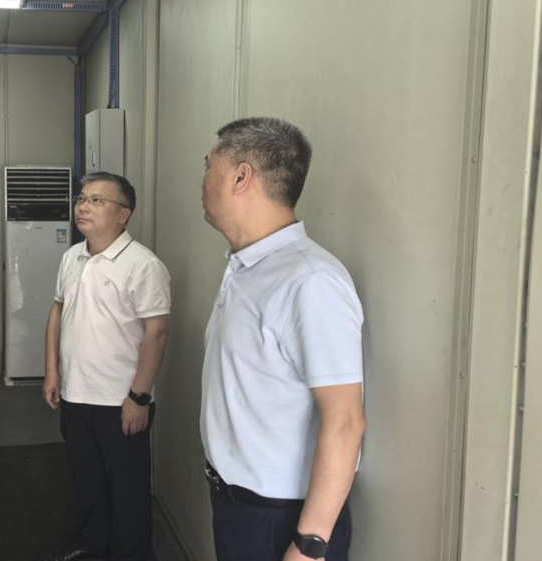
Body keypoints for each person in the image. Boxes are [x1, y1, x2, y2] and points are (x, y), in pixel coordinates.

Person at [199, 117, 366, 561]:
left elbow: (345, 421)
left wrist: (309, 545)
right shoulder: (246, 266)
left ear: (241, 177)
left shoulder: (310, 280)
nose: (202, 179)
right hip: (237, 506)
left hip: (283, 523)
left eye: (208, 165)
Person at [42, 171, 171, 561]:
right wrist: (52, 370)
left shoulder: (143, 265)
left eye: (97, 200)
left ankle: (135, 554)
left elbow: (157, 334)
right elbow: (58, 311)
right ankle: (91, 545)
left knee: (129, 491)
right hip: (76, 394)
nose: (84, 206)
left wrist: (139, 397)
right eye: (82, 198)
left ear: (123, 214)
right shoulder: (72, 257)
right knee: (88, 483)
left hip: (121, 401)